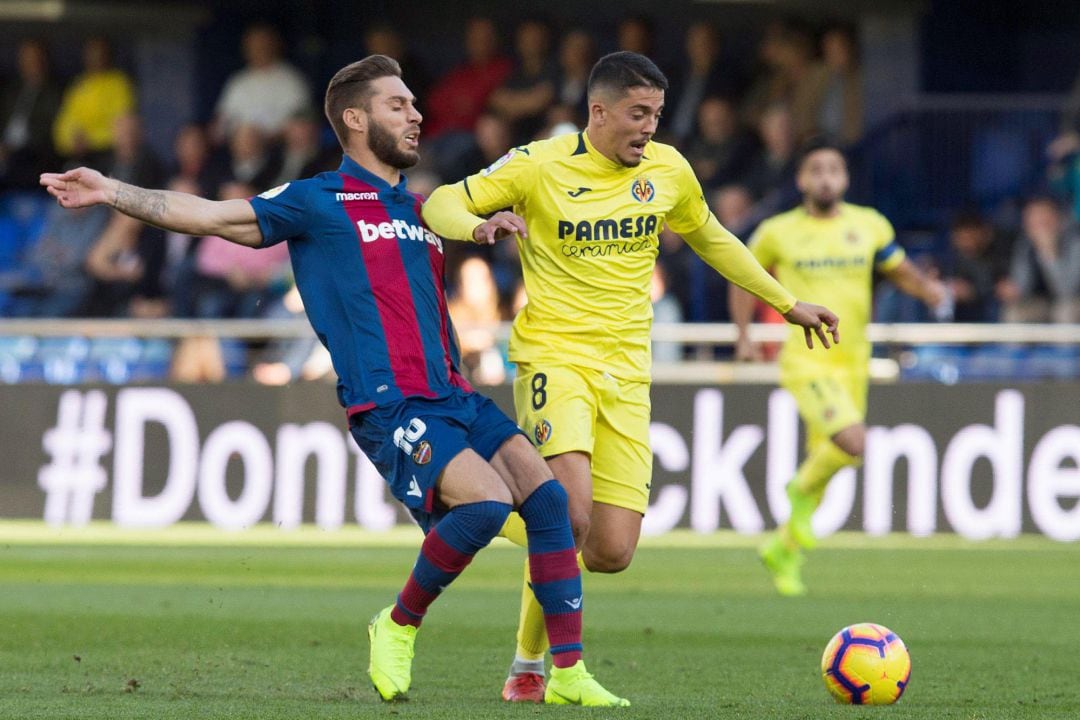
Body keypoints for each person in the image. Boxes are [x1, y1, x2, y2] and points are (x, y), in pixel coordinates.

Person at [40, 54, 626, 708]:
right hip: (390, 402)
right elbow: (208, 215)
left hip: (455, 395)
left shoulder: (422, 208)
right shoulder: (316, 200)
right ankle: (397, 624)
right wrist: (111, 190)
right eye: (397, 105)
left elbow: (451, 249)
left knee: (551, 505)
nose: (416, 114)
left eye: (413, 103)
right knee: (486, 506)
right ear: (354, 118)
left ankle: (564, 671)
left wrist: (483, 226)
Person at [421, 51, 839, 702]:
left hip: (628, 374)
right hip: (554, 357)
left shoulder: (668, 170)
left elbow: (714, 237)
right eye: (638, 114)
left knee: (608, 549)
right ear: (599, 112)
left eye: (657, 115)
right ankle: (543, 667)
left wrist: (786, 305)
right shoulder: (539, 165)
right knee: (571, 510)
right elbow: (441, 202)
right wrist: (478, 226)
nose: (649, 127)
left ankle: (494, 527)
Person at [729, 139, 945, 597]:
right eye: (817, 169)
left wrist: (926, 290)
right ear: (802, 179)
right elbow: (744, 276)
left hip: (853, 361)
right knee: (853, 442)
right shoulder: (777, 231)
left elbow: (897, 267)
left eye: (834, 170)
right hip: (807, 359)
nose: (826, 177)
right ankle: (796, 489)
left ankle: (783, 550)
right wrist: (744, 335)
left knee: (835, 458)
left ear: (844, 179)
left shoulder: (869, 225)